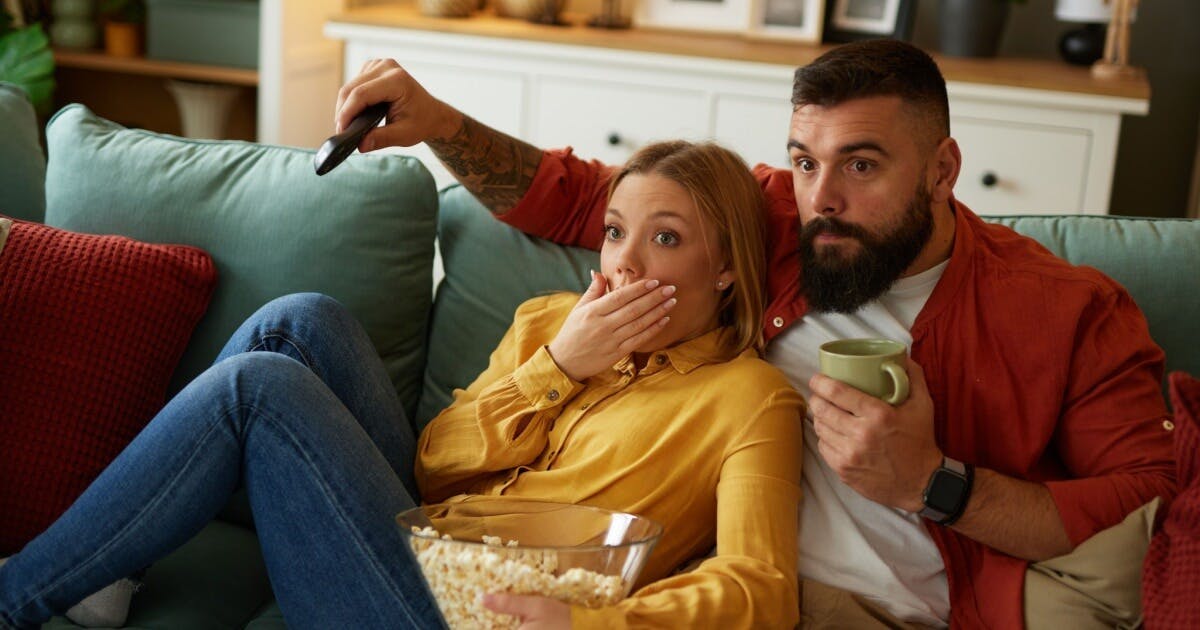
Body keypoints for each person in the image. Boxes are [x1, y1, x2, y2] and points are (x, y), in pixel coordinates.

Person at [333, 38, 1177, 628]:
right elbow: (594, 198)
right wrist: (438, 120)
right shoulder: (771, 220)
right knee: (304, 328)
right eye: (807, 160)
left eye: (862, 164)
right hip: (688, 580)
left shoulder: (1066, 312)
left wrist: (932, 482)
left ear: (944, 170)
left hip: (854, 608)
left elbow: (1141, 499)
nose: (823, 198)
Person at [0, 140, 805, 629]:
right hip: (416, 539)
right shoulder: (549, 322)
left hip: (463, 615)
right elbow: (432, 467)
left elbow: (762, 590)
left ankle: (16, 594)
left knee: (258, 387)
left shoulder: (749, 401)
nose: (623, 263)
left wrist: (594, 623)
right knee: (299, 321)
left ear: (728, 270)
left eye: (664, 239)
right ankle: (112, 570)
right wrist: (557, 370)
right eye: (616, 233)